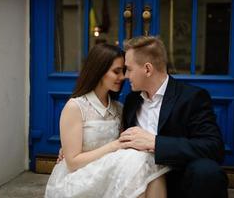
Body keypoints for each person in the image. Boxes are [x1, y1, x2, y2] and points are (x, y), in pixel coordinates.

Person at [45, 43, 170, 198]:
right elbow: (72, 163)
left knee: (148, 159)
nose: (123, 77)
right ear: (99, 70)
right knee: (139, 161)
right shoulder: (75, 107)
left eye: (124, 71)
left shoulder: (119, 108)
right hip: (80, 177)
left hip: (108, 172)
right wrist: (115, 145)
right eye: (116, 71)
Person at [119, 36, 229, 198]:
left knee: (208, 171)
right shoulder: (132, 100)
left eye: (128, 69)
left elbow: (213, 147)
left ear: (147, 69)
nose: (125, 76)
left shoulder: (192, 97)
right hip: (137, 177)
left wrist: (155, 143)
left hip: (177, 178)